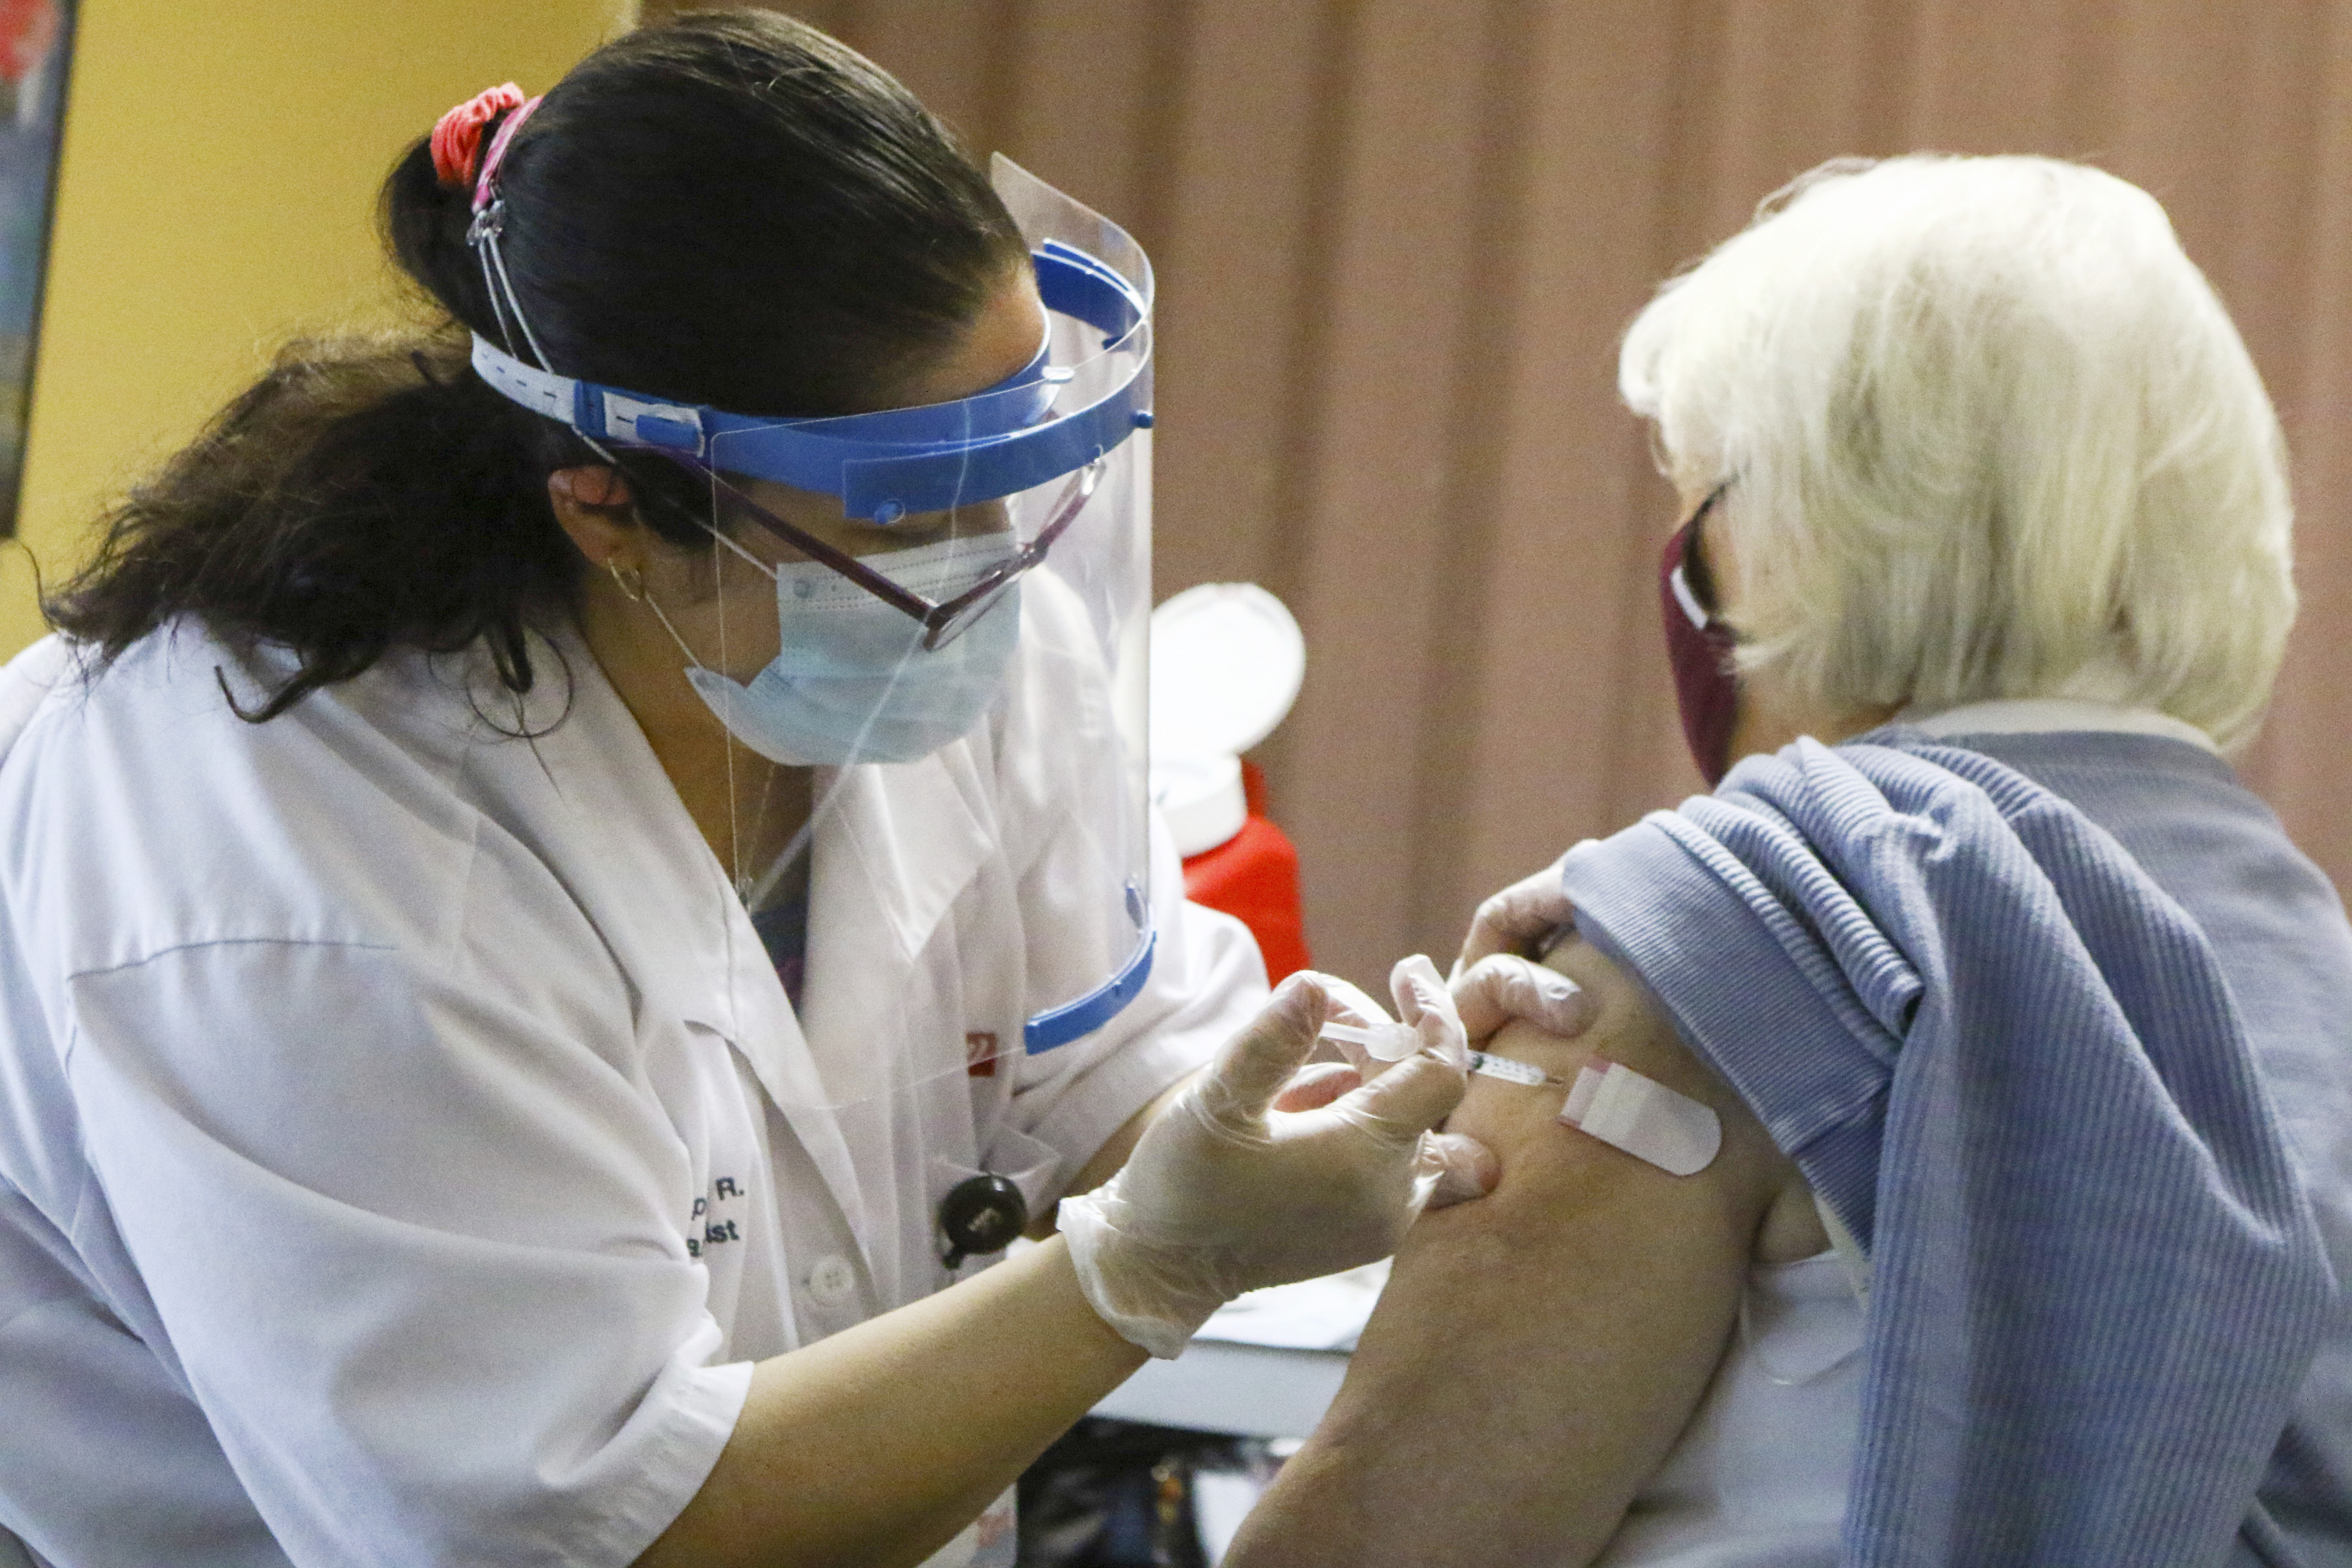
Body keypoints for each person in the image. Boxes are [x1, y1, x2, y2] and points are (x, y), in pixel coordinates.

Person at [0, 15, 1522, 1568]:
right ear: (610, 506)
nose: (998, 553)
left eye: (1017, 457)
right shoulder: (288, 863)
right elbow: (590, 1537)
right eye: (916, 502)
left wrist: (1352, 1105)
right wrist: (1136, 1273)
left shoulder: (963, 631)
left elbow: (1113, 1089)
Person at [1225, 154, 2352, 1567]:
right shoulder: (2310, 948)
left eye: (1709, 497)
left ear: (1818, 517)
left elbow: (1375, 1541)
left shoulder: (1730, 930)